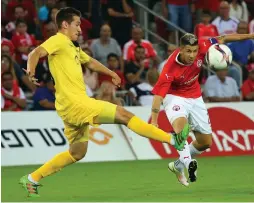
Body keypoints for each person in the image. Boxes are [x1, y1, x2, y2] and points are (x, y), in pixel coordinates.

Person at [19, 7, 188, 197]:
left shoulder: (72, 46)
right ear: (65, 25)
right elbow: (35, 53)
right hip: (76, 104)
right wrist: (31, 70)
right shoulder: (58, 40)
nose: (80, 29)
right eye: (77, 24)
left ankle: (32, 178)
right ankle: (173, 139)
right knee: (125, 115)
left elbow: (89, 61)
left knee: (77, 153)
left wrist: (111, 73)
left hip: (69, 107)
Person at [151, 32, 254, 187]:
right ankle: (188, 164)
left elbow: (224, 38)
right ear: (181, 49)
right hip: (174, 97)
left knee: (205, 143)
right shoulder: (169, 70)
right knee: (181, 129)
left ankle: (177, 165)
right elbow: (158, 96)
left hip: (195, 96)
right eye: (188, 51)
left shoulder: (205, 45)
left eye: (194, 51)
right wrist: (154, 120)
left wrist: (251, 35)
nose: (192, 55)